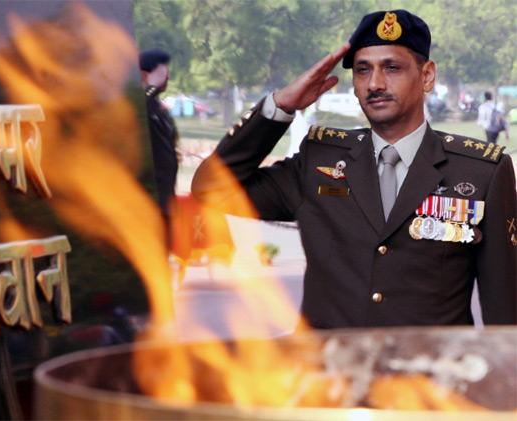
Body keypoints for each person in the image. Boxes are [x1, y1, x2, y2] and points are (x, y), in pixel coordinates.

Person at [192, 10, 516, 328]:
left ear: (427, 75)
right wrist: (280, 107)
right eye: (362, 70)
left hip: (429, 377)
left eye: (392, 68)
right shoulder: (320, 162)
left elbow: (505, 311)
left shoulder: (479, 173)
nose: (375, 83)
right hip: (331, 374)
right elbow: (211, 189)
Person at [140, 48, 180, 230]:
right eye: (162, 73)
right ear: (144, 74)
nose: (167, 77)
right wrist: (151, 86)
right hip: (147, 197)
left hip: (166, 194)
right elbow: (137, 112)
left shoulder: (158, 107)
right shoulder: (140, 102)